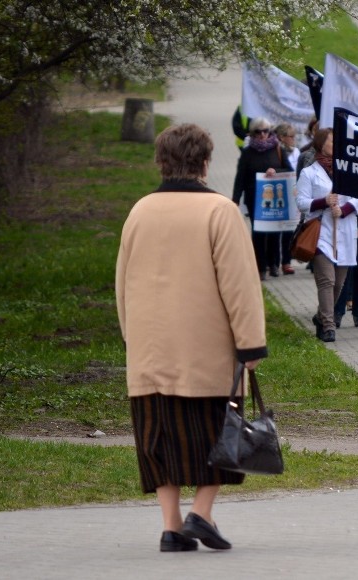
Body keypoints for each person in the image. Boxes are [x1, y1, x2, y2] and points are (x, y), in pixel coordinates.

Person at [115, 123, 268, 553]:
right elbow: (239, 285)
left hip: (149, 351)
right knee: (215, 435)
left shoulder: (140, 210)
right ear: (205, 162)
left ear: (161, 161)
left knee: (158, 440)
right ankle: (200, 512)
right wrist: (251, 344)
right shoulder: (220, 212)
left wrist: (132, 336)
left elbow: (122, 282)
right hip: (206, 352)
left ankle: (171, 527)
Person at [296, 128, 358, 343]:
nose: (336, 143)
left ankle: (320, 316)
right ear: (321, 143)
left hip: (344, 231)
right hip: (321, 232)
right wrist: (323, 202)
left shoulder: (348, 168)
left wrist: (344, 210)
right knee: (327, 280)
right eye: (331, 139)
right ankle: (328, 325)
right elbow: (302, 202)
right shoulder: (309, 172)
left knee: (338, 284)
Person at [232, 118, 293, 279]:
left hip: (274, 198)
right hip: (254, 199)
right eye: (258, 132)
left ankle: (274, 264)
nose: (262, 135)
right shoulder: (248, 153)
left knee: (274, 231)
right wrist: (235, 199)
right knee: (258, 232)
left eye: (265, 131)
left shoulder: (277, 149)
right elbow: (241, 177)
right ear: (253, 134)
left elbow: (289, 169)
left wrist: (276, 170)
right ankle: (261, 267)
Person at [274, 123, 301, 275]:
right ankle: (274, 261)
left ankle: (286, 261)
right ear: (282, 137)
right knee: (276, 229)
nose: (293, 139)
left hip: (292, 193)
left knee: (289, 229)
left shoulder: (296, 152)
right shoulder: (275, 150)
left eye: (294, 136)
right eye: (290, 136)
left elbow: (296, 170)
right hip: (278, 192)